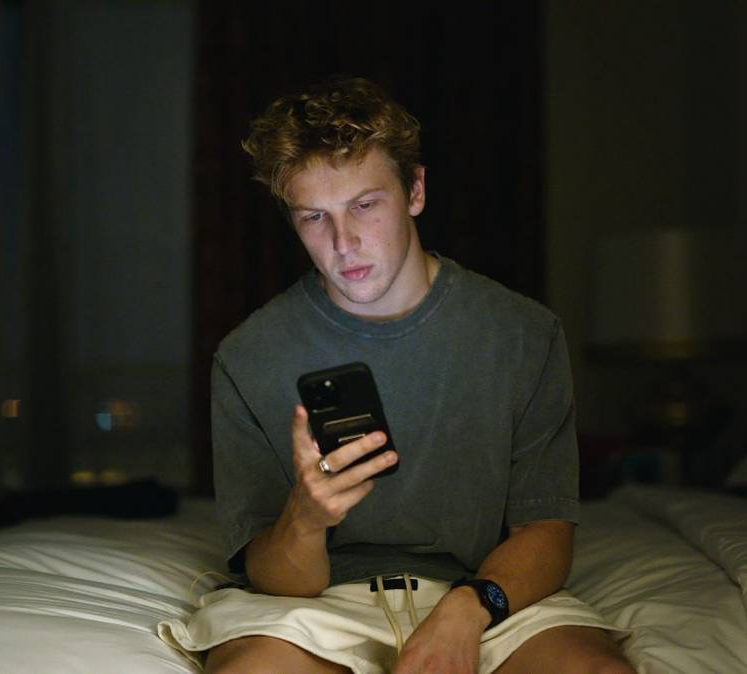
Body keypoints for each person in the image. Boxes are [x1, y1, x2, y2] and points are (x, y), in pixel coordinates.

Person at [160, 76, 634, 674]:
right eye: (314, 217)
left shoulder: (524, 334)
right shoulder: (248, 356)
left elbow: (547, 531)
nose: (344, 242)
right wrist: (306, 517)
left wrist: (467, 611)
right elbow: (279, 580)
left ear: (415, 190)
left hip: (486, 594)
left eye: (365, 205)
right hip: (314, 607)